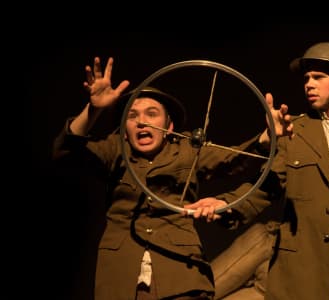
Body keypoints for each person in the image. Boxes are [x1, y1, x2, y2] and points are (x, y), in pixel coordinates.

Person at [186, 41, 329, 300]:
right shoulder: (294, 131)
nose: (309, 83)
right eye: (306, 77)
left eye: (318, 77)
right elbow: (265, 189)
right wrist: (226, 204)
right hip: (303, 273)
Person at [51, 56, 290, 300]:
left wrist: (265, 140)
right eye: (132, 116)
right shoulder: (115, 151)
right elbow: (65, 151)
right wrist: (94, 110)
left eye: (151, 114)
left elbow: (235, 160)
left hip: (180, 275)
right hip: (120, 277)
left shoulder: (187, 150)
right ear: (124, 130)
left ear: (169, 125)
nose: (141, 121)